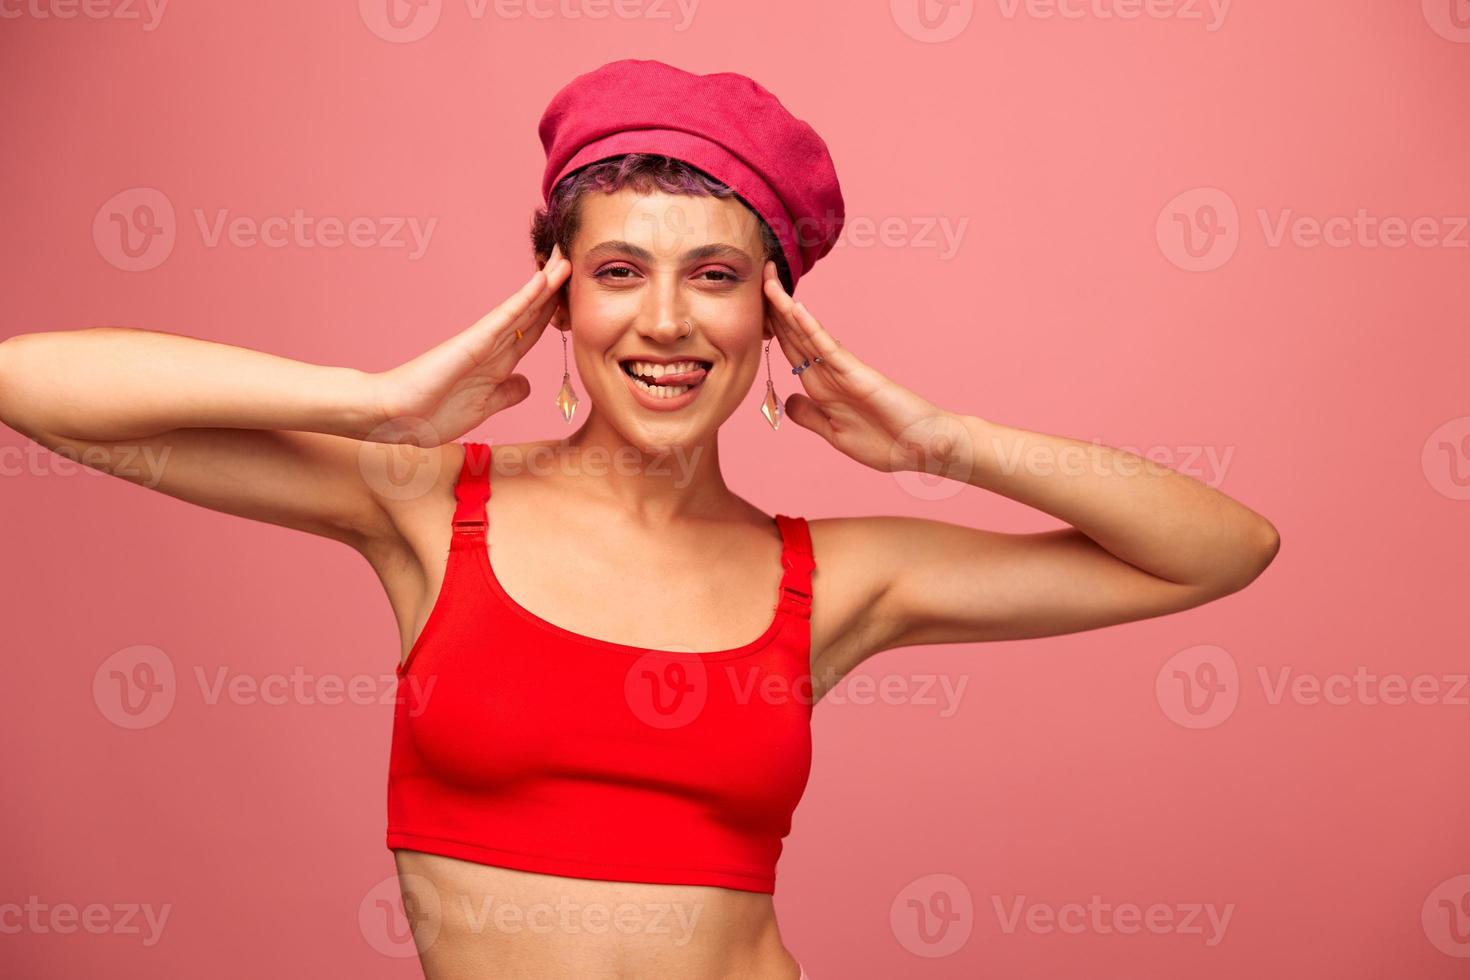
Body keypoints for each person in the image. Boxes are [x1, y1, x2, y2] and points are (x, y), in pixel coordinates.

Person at [0, 59, 1278, 980]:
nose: (665, 321)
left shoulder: (830, 577)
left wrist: (942, 443)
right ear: (558, 303)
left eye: (715, 276)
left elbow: (1221, 548)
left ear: (773, 317)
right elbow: (33, 383)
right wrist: (381, 402)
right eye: (618, 271)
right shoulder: (430, 504)